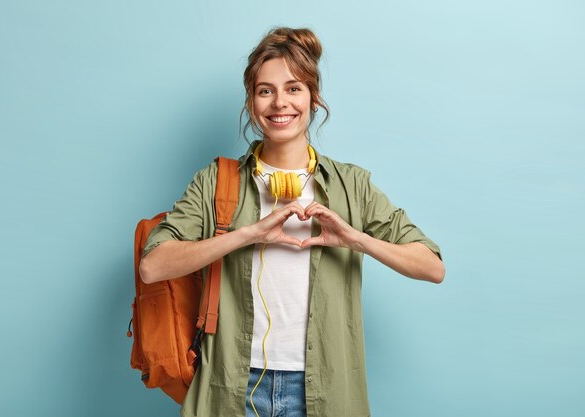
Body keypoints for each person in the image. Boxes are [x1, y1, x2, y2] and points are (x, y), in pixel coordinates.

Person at [139, 27, 444, 417]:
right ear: (251, 102)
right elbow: (153, 266)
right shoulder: (217, 181)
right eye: (265, 90)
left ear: (314, 99)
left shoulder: (351, 184)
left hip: (324, 387)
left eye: (294, 88)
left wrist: (355, 239)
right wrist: (248, 234)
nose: (279, 102)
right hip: (233, 383)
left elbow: (432, 267)